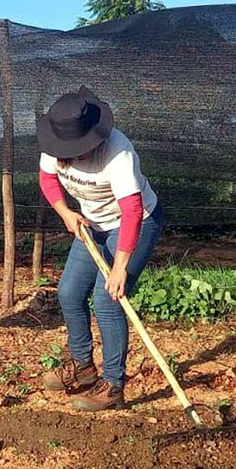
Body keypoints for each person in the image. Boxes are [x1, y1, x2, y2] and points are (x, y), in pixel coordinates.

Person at [36, 86, 164, 411]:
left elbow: (133, 211)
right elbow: (47, 179)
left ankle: (113, 386)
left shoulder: (118, 152)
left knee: (107, 301)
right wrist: (66, 213)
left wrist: (120, 267)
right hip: (92, 224)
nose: (76, 153)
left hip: (134, 223)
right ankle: (82, 367)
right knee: (68, 293)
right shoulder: (54, 145)